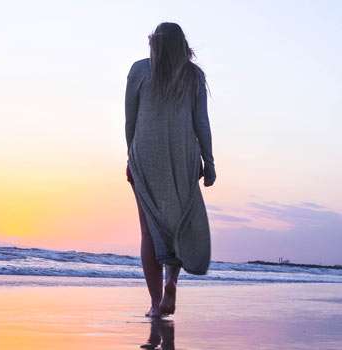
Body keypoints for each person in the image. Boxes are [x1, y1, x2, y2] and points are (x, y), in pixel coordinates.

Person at [125, 22, 216, 318]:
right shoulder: (194, 76)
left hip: (146, 155)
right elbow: (201, 122)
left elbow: (131, 119)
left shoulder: (139, 70)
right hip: (183, 157)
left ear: (154, 42)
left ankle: (154, 304)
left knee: (149, 231)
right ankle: (171, 283)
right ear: (183, 45)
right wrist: (209, 162)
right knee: (178, 223)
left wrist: (130, 156)